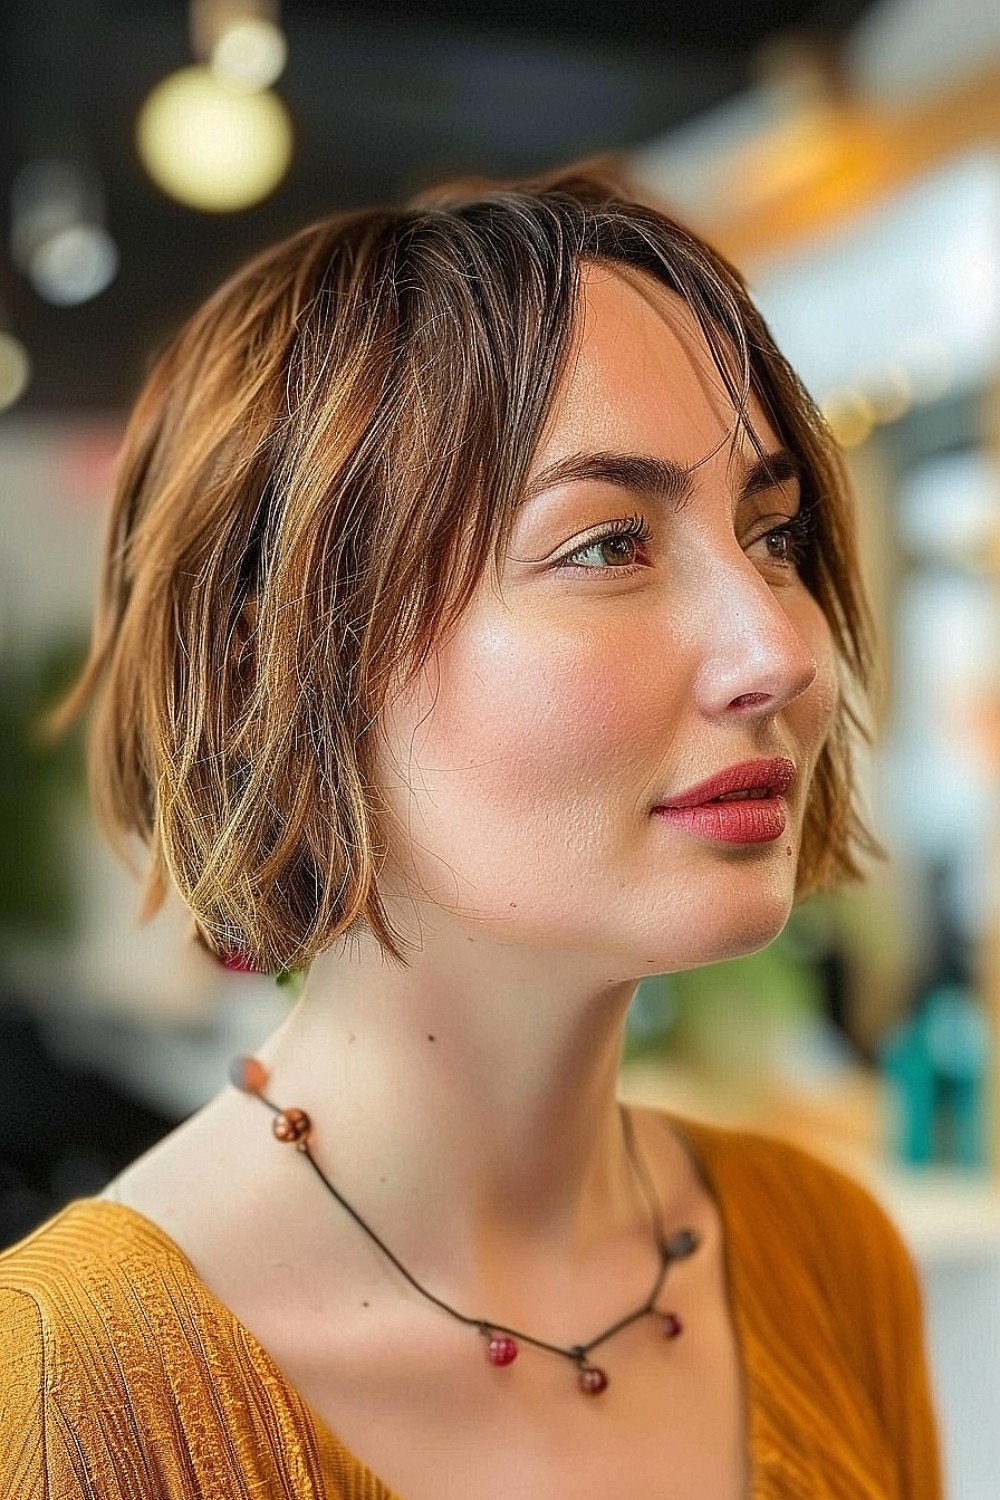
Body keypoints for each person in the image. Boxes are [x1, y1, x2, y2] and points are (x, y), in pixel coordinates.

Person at [0, 166, 942, 1500]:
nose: (779, 648)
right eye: (608, 545)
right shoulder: (74, 1389)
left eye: (771, 532)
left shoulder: (827, 1257)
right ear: (298, 655)